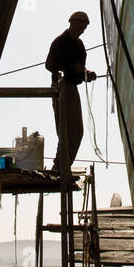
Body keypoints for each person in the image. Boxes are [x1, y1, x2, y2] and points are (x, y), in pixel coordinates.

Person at [45, 11, 96, 171]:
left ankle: (62, 165)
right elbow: (49, 65)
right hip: (62, 87)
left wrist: (87, 74)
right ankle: (59, 166)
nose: (82, 30)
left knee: (76, 131)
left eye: (84, 28)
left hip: (72, 87)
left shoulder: (79, 46)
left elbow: (80, 70)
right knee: (66, 130)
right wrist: (70, 67)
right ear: (72, 23)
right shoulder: (60, 42)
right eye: (80, 26)